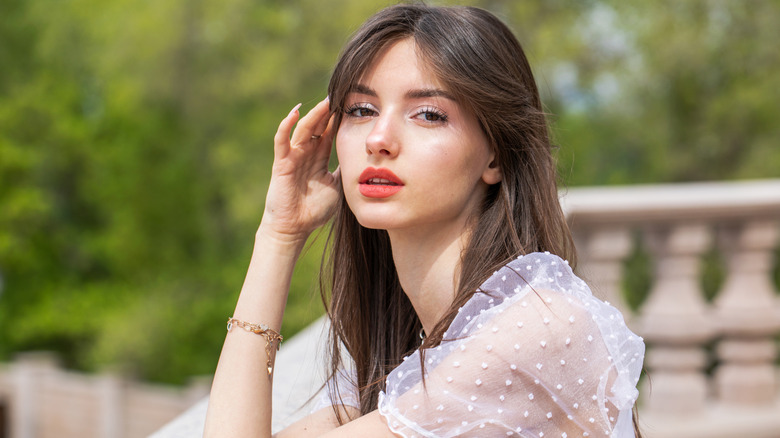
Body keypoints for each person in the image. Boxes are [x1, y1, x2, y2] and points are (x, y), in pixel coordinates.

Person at [203, 4, 644, 437]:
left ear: (495, 156)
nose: (379, 139)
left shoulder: (536, 330)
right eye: (361, 110)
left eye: (429, 114)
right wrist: (279, 234)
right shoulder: (394, 357)